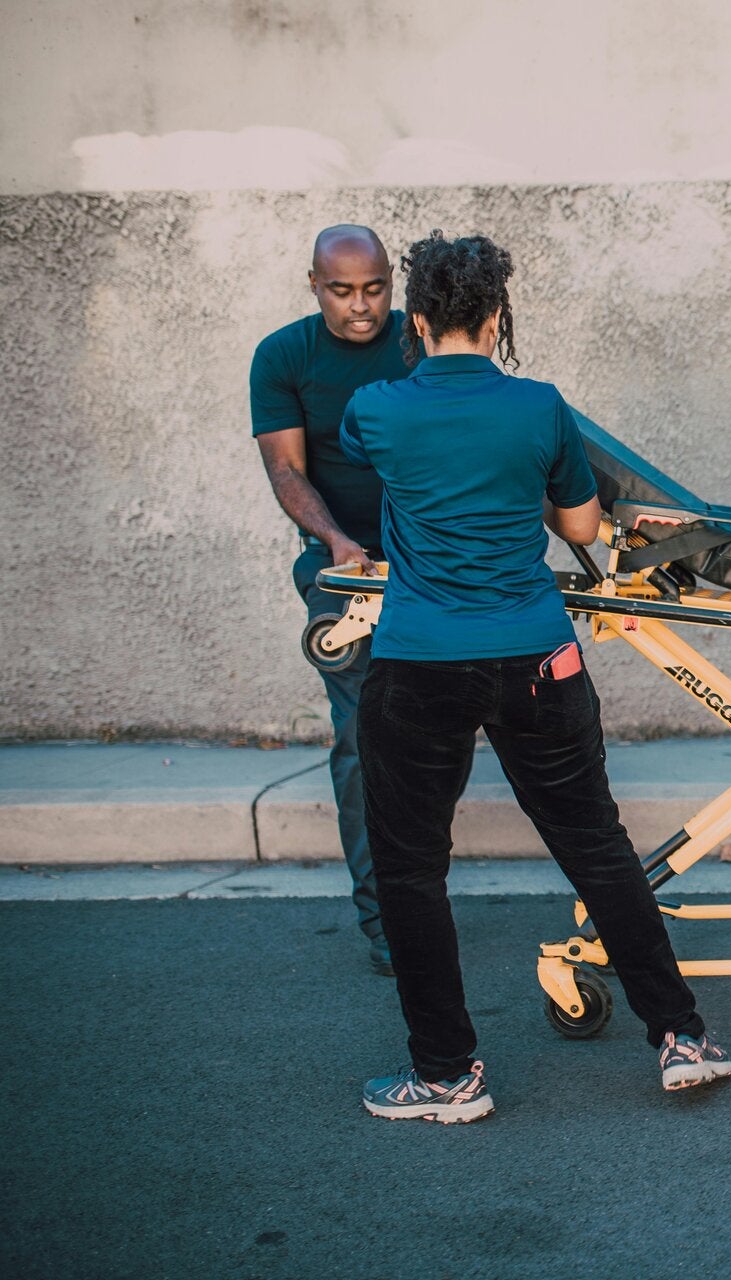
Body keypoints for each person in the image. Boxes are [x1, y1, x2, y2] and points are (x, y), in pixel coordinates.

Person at [341, 230, 731, 1123]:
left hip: (420, 663)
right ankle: (682, 1038)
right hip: (536, 657)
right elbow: (583, 528)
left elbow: (374, 465)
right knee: (596, 846)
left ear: (417, 319)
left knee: (410, 872)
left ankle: (448, 1076)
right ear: (495, 318)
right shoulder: (541, 405)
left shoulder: (376, 409)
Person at [251, 225, 409, 976]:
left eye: (374, 288)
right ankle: (387, 921)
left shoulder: (420, 344)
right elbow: (286, 469)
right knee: (363, 737)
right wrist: (339, 542)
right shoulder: (283, 356)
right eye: (342, 291)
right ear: (313, 284)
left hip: (430, 564)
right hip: (340, 570)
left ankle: (418, 891)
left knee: (447, 727)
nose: (360, 306)